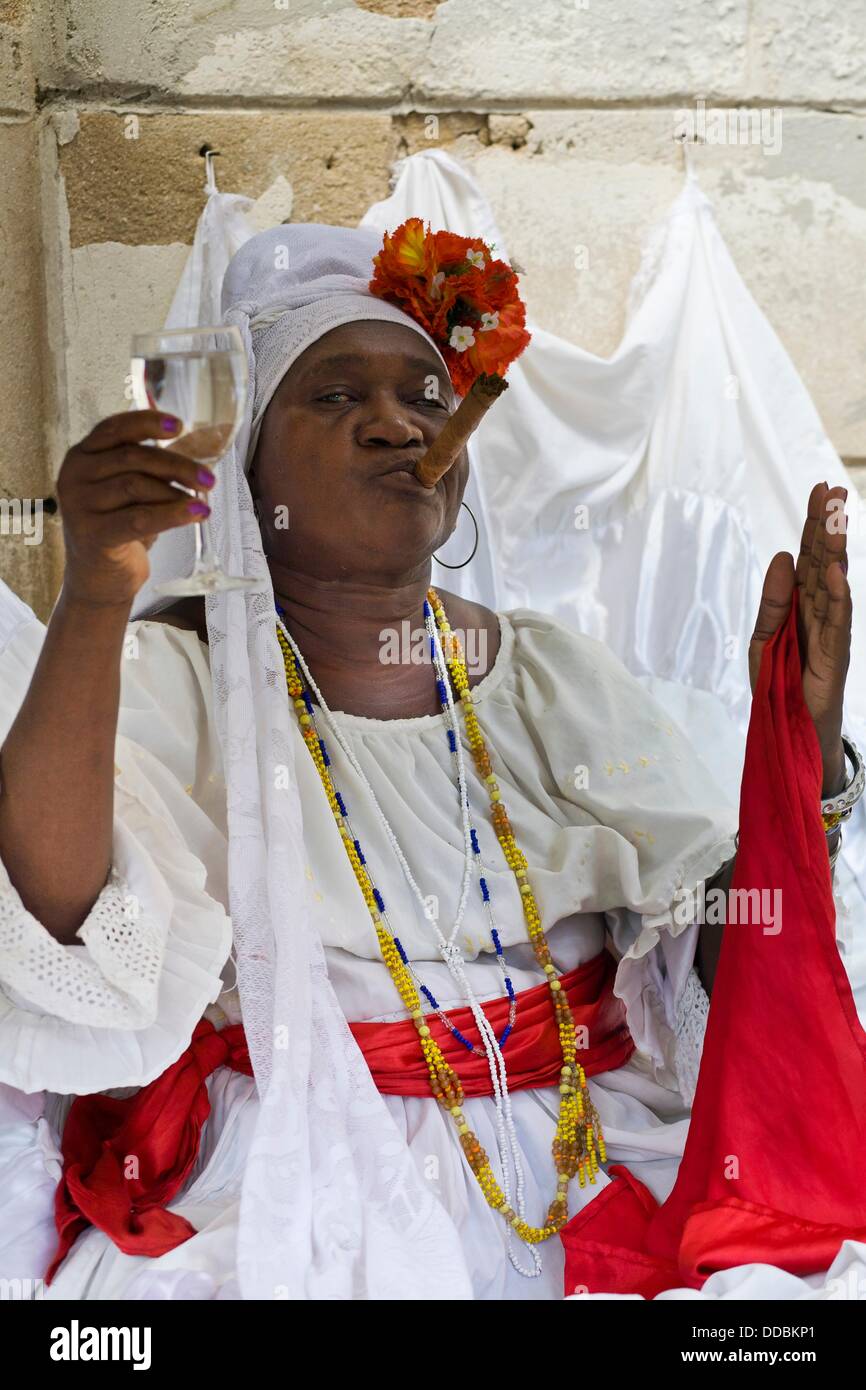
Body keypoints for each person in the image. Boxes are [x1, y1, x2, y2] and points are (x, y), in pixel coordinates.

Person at [0, 223, 857, 1301]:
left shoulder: (547, 678)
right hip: (297, 1183)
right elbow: (61, 921)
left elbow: (720, 974)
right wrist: (92, 595)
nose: (394, 422)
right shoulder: (171, 674)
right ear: (248, 462)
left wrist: (798, 747)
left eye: (423, 395)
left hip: (587, 1161)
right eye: (332, 396)